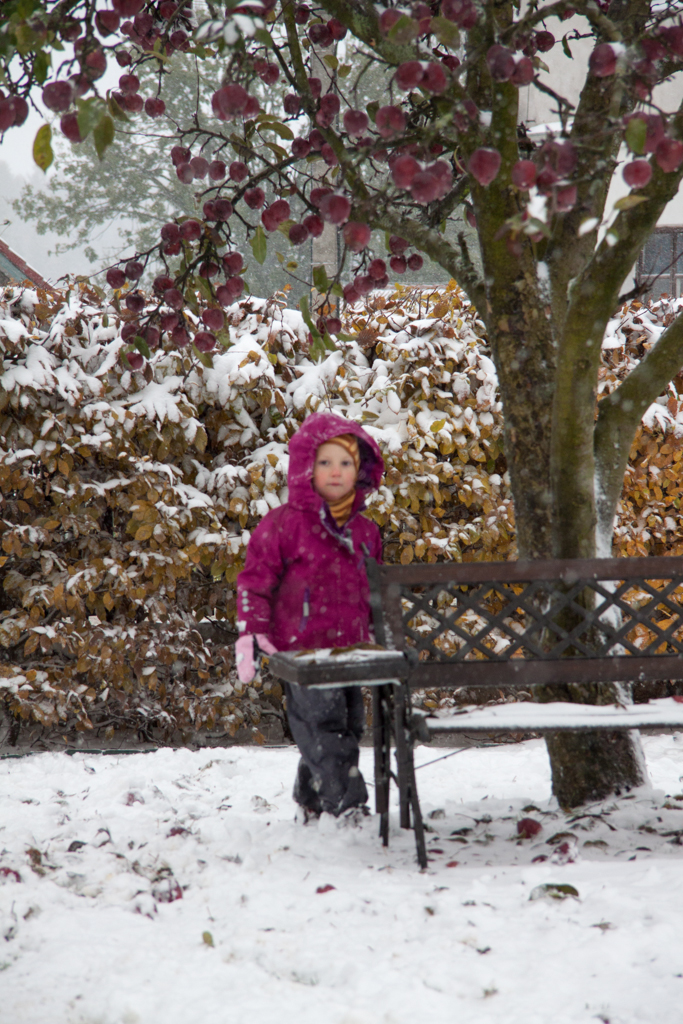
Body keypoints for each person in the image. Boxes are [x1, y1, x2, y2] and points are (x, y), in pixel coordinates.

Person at [235, 411, 384, 819]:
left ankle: (310, 798)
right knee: (324, 727)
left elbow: (373, 591)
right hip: (301, 650)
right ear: (306, 468)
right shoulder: (283, 526)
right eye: (325, 462)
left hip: (349, 649)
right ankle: (348, 806)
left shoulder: (365, 532)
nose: (336, 472)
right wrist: (252, 633)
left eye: (346, 463)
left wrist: (375, 629)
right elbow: (255, 581)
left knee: (349, 726)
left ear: (361, 470)